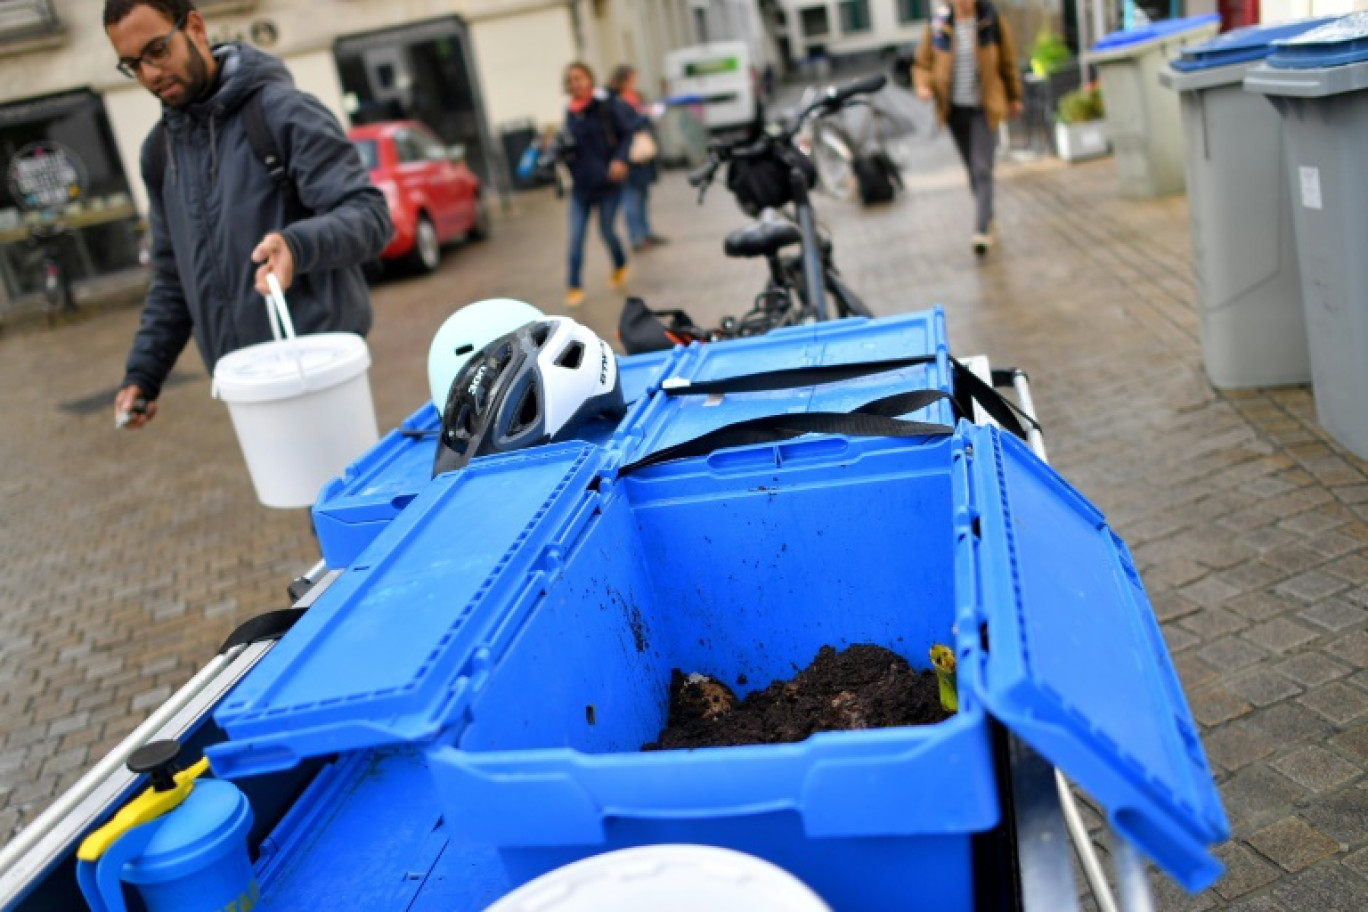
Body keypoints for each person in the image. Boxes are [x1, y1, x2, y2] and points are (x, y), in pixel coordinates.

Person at [104, 0, 391, 428]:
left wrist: (298, 245)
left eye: (157, 51)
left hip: (319, 371)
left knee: (341, 494)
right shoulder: (159, 153)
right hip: (246, 382)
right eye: (132, 65)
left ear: (195, 27)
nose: (149, 74)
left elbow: (369, 215)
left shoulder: (282, 112)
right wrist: (144, 373)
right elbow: (172, 276)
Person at [913, 0, 1022, 257]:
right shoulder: (938, 26)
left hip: (984, 108)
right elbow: (921, 64)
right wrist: (923, 85)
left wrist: (1015, 96)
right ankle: (989, 218)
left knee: (982, 168)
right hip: (954, 111)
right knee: (973, 170)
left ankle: (981, 229)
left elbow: (1007, 61)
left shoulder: (991, 21)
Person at [559, 61, 635, 309]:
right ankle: (574, 285)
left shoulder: (604, 107)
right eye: (570, 80)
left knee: (606, 231)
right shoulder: (569, 113)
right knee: (575, 237)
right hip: (581, 188)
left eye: (579, 78)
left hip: (607, 184)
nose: (575, 84)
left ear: (590, 80)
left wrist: (619, 160)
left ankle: (620, 263)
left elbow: (626, 135)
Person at [607, 64, 666, 253]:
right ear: (624, 81)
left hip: (641, 157)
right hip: (629, 157)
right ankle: (636, 237)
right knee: (631, 198)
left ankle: (646, 232)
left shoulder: (633, 100)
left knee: (643, 196)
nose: (635, 82)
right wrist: (645, 115)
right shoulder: (617, 103)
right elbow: (627, 128)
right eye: (632, 79)